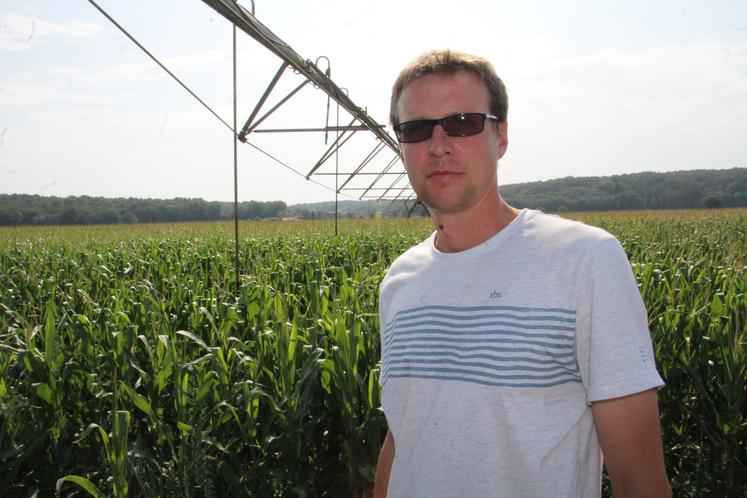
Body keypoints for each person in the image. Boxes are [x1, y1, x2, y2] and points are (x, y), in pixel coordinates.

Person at [373, 49, 671, 498]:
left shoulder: (584, 260)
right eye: (416, 129)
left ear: (501, 137)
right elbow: (405, 434)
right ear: (401, 145)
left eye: (462, 122)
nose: (438, 145)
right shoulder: (400, 280)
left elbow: (639, 478)